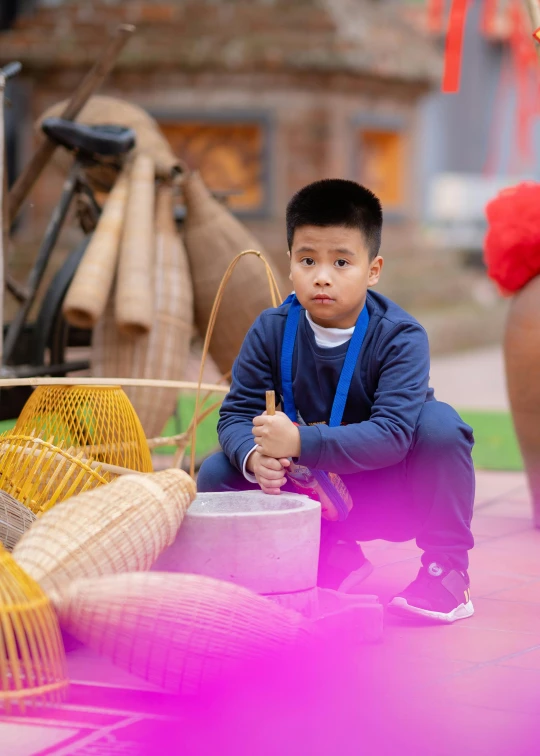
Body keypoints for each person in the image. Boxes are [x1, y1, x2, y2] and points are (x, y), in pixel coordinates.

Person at [198, 178, 475, 623]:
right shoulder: (270, 330)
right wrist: (254, 457)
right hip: (308, 493)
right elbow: (235, 413)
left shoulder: (401, 337)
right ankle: (330, 554)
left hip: (386, 492)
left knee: (440, 426)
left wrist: (299, 442)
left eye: (342, 261)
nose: (322, 275)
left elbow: (393, 435)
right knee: (217, 473)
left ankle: (447, 574)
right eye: (308, 260)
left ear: (373, 269)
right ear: (290, 264)